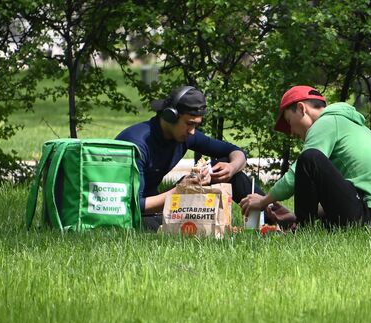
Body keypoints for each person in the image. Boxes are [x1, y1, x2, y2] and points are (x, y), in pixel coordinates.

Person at [240, 85, 371, 228]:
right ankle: (300, 222)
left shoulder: (326, 123)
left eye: (289, 121)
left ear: (302, 108)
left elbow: (294, 175)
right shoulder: (348, 124)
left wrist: (263, 201)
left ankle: (303, 229)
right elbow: (343, 192)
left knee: (309, 159)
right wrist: (295, 216)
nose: (291, 133)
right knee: (311, 160)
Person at [116, 85, 272, 230]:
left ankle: (276, 217)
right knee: (160, 226)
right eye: (189, 124)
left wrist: (231, 168)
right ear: (170, 116)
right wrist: (181, 190)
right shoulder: (138, 144)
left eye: (196, 126)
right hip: (134, 214)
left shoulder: (183, 134)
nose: (192, 131)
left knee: (224, 166)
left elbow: (236, 152)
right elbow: (133, 205)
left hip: (157, 205)